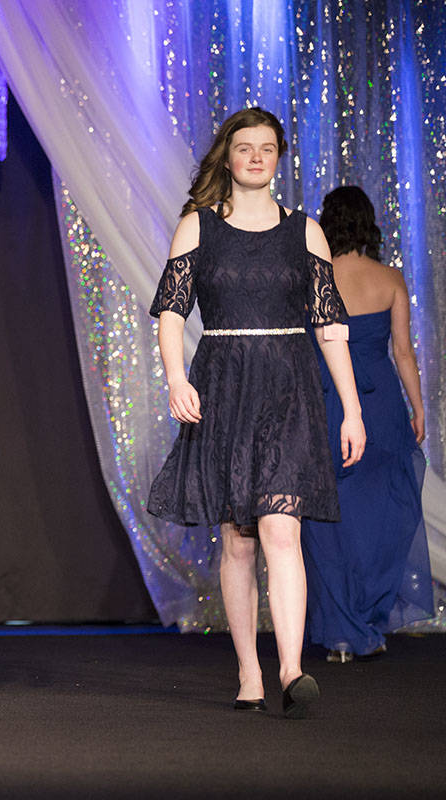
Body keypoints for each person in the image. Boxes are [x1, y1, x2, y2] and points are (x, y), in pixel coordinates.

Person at [146, 108, 365, 719]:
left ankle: (292, 666)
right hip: (224, 385)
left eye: (268, 148)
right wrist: (173, 377)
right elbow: (170, 312)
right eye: (245, 147)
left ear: (279, 156)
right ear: (228, 155)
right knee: (239, 539)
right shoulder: (198, 227)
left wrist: (351, 407)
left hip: (289, 383)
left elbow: (330, 327)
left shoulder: (306, 230)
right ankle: (249, 668)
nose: (257, 157)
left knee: (282, 528)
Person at [301, 186, 434, 662]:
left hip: (326, 404)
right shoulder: (389, 278)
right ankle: (367, 623)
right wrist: (419, 409)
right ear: (368, 224)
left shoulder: (312, 278)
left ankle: (341, 630)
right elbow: (403, 353)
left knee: (325, 522)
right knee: (384, 519)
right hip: (379, 411)